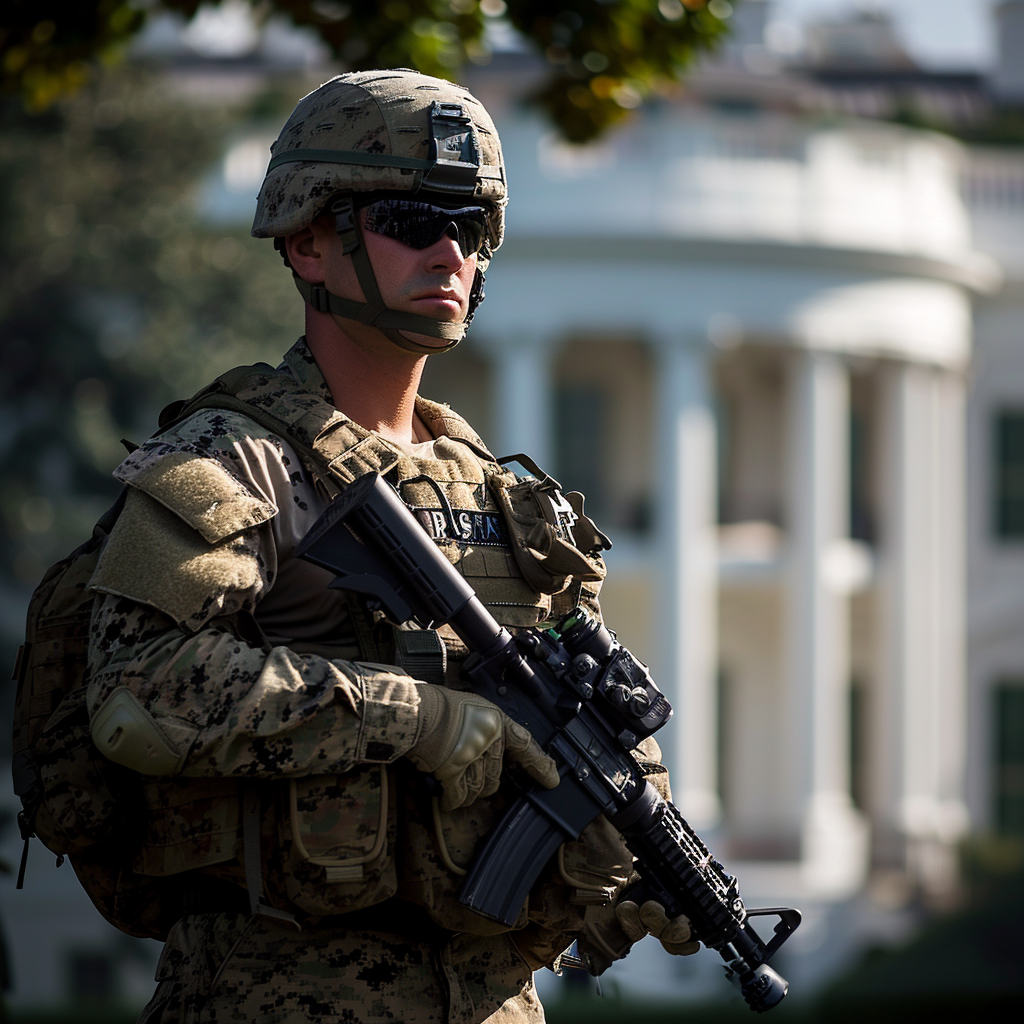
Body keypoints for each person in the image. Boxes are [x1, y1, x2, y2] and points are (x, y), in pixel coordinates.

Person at [84, 69, 697, 1024]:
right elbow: (138, 693)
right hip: (277, 996)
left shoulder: (509, 499)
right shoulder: (234, 460)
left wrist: (621, 870)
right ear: (309, 242)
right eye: (414, 222)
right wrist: (416, 718)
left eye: (474, 229)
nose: (450, 253)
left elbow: (597, 724)